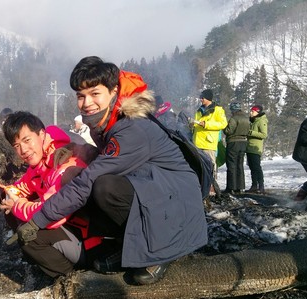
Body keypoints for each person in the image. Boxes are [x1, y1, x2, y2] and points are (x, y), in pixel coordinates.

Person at [16, 56, 207, 285]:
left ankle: (163, 250)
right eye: (80, 96)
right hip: (153, 188)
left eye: (95, 94)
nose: (87, 103)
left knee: (104, 187)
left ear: (113, 91)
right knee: (99, 186)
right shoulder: (106, 123)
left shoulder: (131, 128)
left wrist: (38, 220)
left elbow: (88, 181)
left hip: (178, 205)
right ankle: (128, 247)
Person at [0, 111, 102, 278]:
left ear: (41, 134)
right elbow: (19, 188)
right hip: (75, 231)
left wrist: (17, 206)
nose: (23, 150)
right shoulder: (40, 166)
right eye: (16, 145)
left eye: (27, 140)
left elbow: (51, 214)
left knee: (30, 236)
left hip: (92, 242)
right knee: (21, 218)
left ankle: (73, 277)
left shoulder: (66, 163)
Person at [192, 89, 228, 181]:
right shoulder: (199, 110)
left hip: (208, 144)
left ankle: (212, 187)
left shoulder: (217, 110)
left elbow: (223, 124)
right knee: (199, 167)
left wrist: (206, 124)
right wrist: (192, 125)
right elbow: (197, 124)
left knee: (210, 166)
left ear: (208, 98)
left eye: (202, 97)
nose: (201, 99)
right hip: (197, 143)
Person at [223, 102, 250, 194]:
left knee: (231, 165)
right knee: (240, 165)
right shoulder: (246, 119)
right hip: (243, 142)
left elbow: (228, 131)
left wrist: (224, 127)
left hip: (233, 143)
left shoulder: (233, 119)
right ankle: (241, 187)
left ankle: (231, 187)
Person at [245, 105, 268, 194]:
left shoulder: (261, 121)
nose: (250, 113)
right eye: (251, 111)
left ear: (257, 112)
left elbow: (264, 134)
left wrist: (250, 132)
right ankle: (254, 185)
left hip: (256, 148)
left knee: (257, 167)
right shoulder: (253, 121)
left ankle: (261, 186)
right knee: (252, 167)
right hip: (249, 147)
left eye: (253, 111)